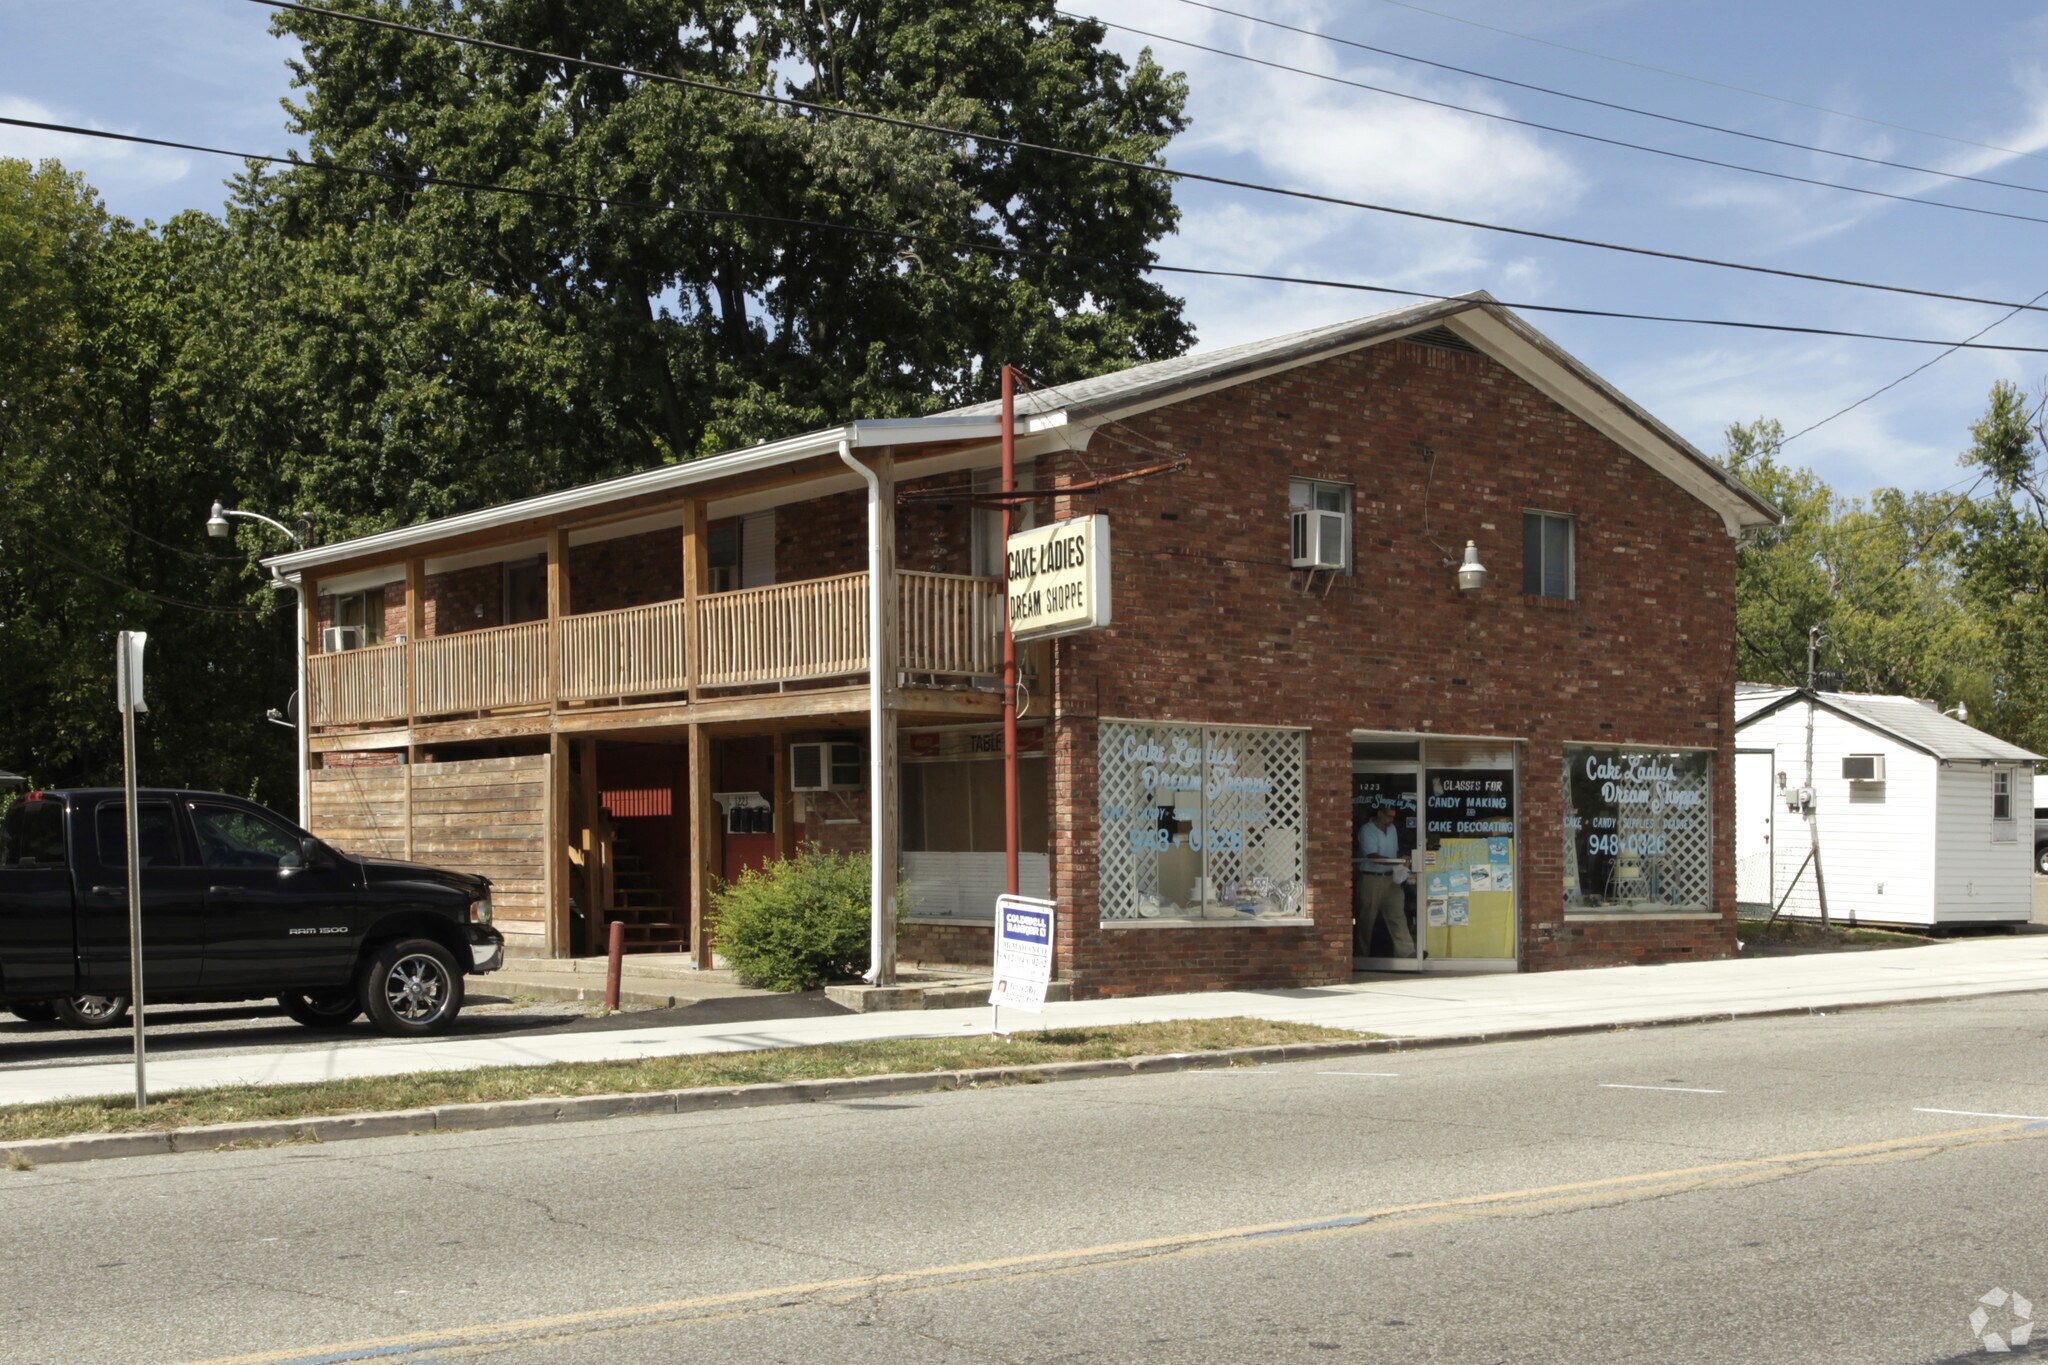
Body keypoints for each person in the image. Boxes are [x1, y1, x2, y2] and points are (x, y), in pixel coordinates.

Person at [1354, 801, 1416, 958]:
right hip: (1372, 878)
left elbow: (1393, 852)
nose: (1391, 820)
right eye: (1388, 816)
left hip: (1391, 877)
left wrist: (1401, 860)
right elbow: (1372, 855)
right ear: (1380, 813)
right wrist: (1396, 861)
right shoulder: (1367, 830)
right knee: (1367, 918)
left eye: (1393, 817)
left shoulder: (1393, 829)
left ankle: (1407, 952)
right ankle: (1361, 955)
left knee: (1397, 915)